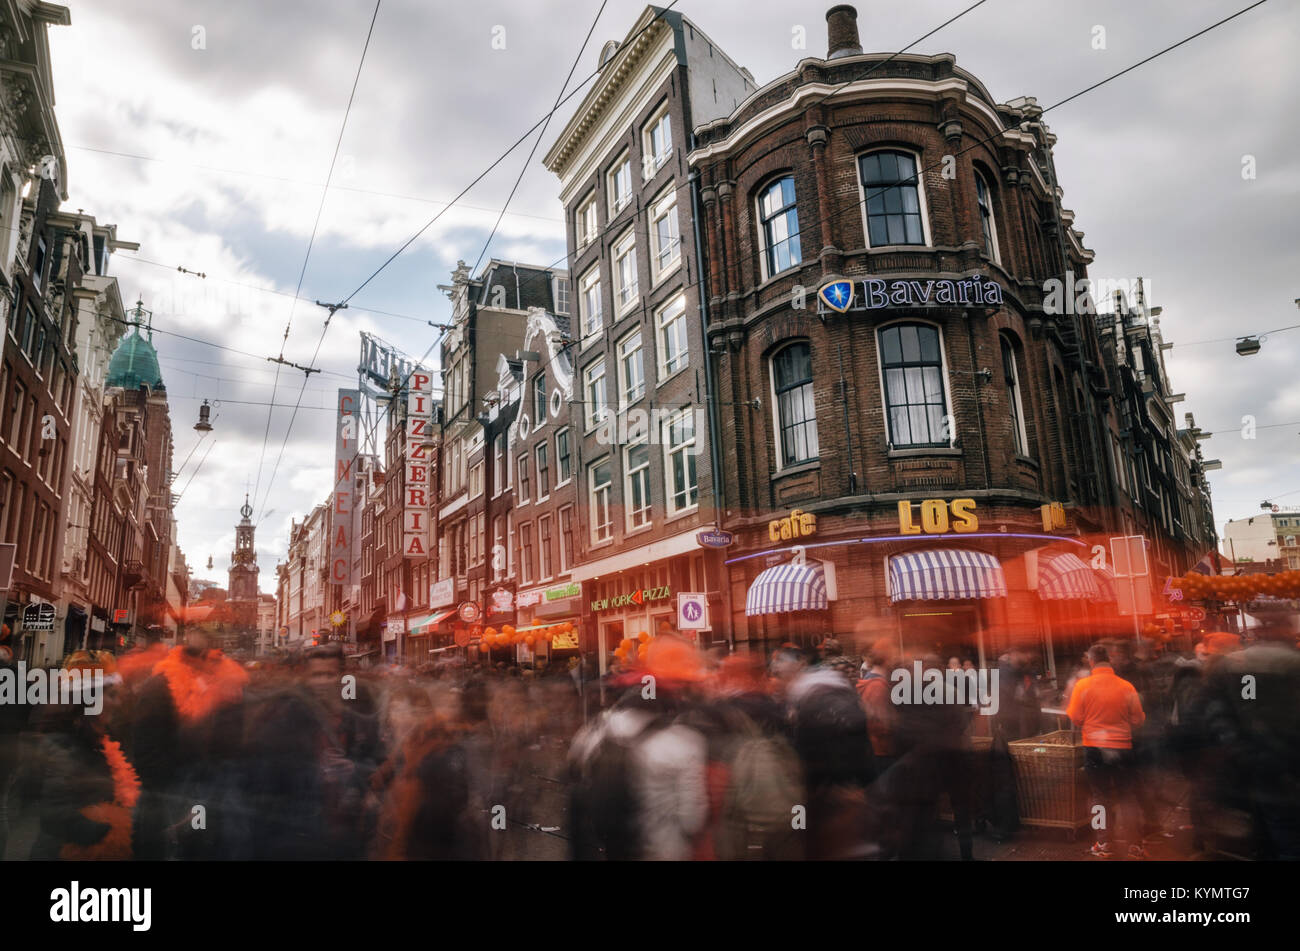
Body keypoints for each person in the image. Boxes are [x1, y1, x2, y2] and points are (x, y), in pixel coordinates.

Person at [1066, 643, 1147, 858]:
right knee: (1127, 795)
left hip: (1094, 748)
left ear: (1091, 662)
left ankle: (1104, 843)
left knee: (1099, 796)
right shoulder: (1126, 686)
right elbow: (1138, 718)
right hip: (1123, 747)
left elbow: (1074, 717)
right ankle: (1135, 844)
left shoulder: (1082, 686)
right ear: (1108, 661)